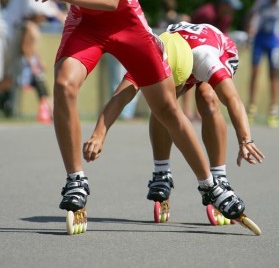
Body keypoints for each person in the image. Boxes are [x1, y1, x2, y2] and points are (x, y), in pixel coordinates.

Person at [30, 0, 247, 221]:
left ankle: (211, 185)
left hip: (127, 25)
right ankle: (75, 180)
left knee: (167, 110)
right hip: (85, 25)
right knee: (63, 84)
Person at [83, 22, 265, 211]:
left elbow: (233, 100)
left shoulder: (206, 60)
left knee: (207, 99)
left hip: (215, 47)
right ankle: (161, 173)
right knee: (161, 104)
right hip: (175, 48)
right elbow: (119, 97)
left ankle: (219, 177)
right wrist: (98, 135)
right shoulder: (149, 57)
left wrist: (245, 140)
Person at [0, 0, 66, 117]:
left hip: (14, 33)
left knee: (8, 78)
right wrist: (60, 15)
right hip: (5, 32)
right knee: (3, 75)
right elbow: (38, 11)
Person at [183, 0, 243, 120]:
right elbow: (193, 33)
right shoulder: (206, 14)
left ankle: (198, 111)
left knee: (204, 80)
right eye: (230, 6)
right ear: (222, 4)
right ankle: (186, 111)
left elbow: (221, 37)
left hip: (209, 47)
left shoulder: (226, 17)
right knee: (187, 79)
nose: (232, 10)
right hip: (191, 45)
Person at [246, 0, 279, 127]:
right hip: (260, 39)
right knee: (255, 71)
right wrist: (250, 32)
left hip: (273, 41)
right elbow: (252, 18)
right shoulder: (262, 2)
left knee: (273, 74)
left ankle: (273, 109)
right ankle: (251, 106)